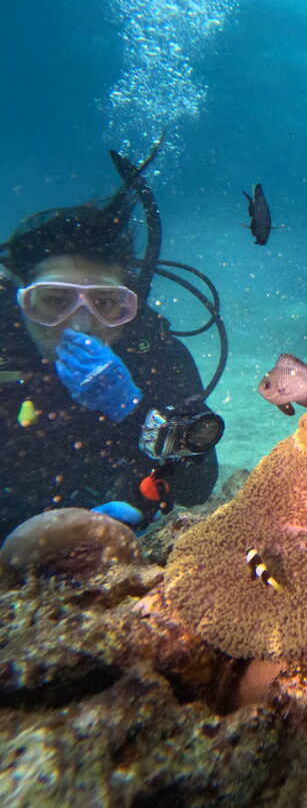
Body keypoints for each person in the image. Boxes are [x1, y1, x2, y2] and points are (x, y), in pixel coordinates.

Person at [0, 146, 224, 540]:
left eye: (105, 303)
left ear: (129, 306)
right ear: (22, 303)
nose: (80, 326)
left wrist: (134, 413)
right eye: (54, 301)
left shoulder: (155, 354)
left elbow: (197, 487)